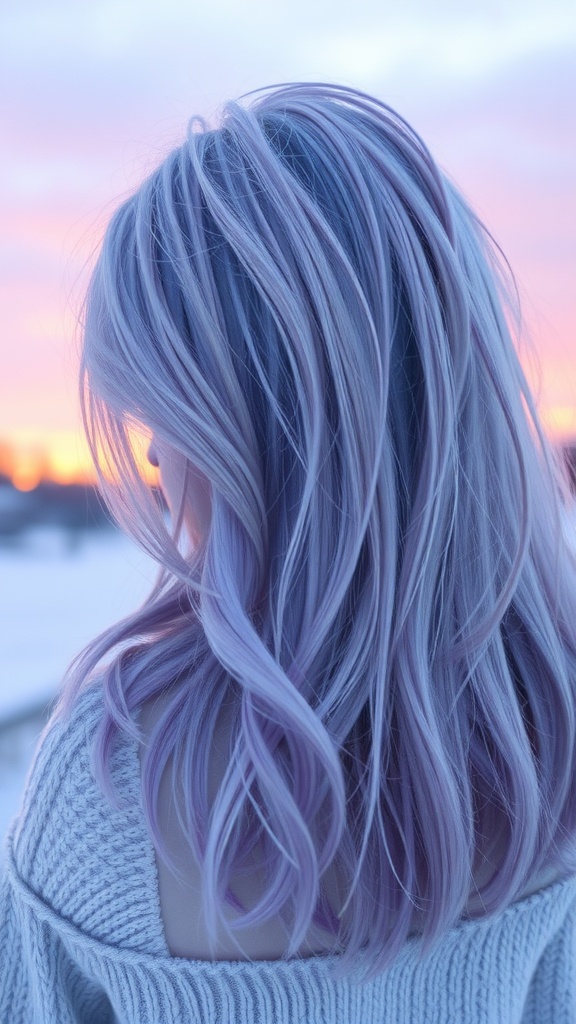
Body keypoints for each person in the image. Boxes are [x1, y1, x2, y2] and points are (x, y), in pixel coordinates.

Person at [2, 81, 576, 1023]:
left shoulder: (118, 789)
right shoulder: (542, 741)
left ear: (248, 434)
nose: (150, 454)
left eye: (167, 411)